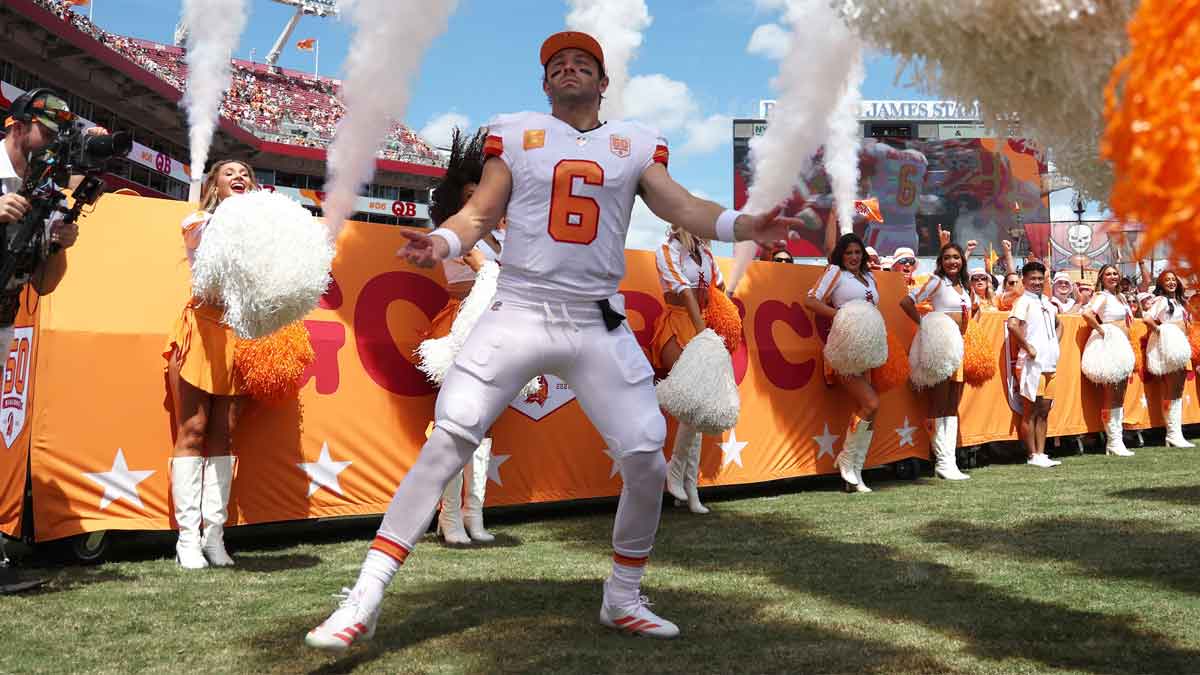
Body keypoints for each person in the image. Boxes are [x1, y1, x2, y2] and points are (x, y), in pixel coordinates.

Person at [304, 31, 795, 648]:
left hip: (595, 317)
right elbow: (480, 212)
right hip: (520, 307)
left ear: (602, 81)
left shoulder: (635, 144)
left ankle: (622, 596)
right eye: (557, 64)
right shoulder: (517, 133)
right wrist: (445, 241)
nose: (568, 69)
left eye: (581, 63)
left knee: (645, 458)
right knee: (448, 438)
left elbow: (683, 206)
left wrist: (742, 224)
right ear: (544, 83)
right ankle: (365, 596)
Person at [0, 88, 100, 591]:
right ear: (18, 125)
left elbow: (42, 284)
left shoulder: (39, 186)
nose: (53, 145)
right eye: (48, 133)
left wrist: (57, 247)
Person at [162, 159, 257, 569]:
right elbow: (208, 246)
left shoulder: (264, 233)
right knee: (194, 429)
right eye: (229, 173)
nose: (240, 178)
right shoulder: (198, 220)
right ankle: (186, 539)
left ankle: (214, 536)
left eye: (246, 175)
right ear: (213, 184)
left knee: (225, 436)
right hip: (201, 329)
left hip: (241, 333)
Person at [420, 129, 503, 545]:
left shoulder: (501, 235)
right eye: (469, 194)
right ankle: (449, 517)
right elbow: (488, 272)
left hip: (494, 329)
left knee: (485, 427)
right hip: (460, 326)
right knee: (454, 422)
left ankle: (474, 514)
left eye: (482, 193)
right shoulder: (459, 233)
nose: (477, 200)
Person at [653, 224, 725, 514]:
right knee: (691, 401)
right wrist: (702, 331)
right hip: (679, 325)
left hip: (702, 326)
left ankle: (687, 482)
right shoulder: (667, 249)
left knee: (697, 408)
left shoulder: (706, 253)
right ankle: (679, 478)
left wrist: (721, 326)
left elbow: (718, 292)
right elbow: (683, 291)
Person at [804, 233, 880, 493]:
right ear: (841, 255)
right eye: (849, 252)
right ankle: (847, 462)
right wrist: (841, 315)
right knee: (871, 403)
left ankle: (855, 471)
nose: (854, 257)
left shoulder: (869, 277)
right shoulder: (835, 272)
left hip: (867, 350)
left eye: (858, 252)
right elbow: (811, 300)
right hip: (844, 348)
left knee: (871, 409)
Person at [900, 242, 973, 480]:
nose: (953, 262)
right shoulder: (936, 281)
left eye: (956, 257)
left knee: (953, 405)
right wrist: (926, 326)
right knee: (938, 404)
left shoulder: (964, 285)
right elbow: (906, 303)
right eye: (947, 258)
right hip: (940, 347)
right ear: (940, 262)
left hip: (958, 349)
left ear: (962, 260)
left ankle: (949, 462)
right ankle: (941, 461)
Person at [1007, 262, 1063, 468]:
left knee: (1045, 409)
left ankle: (1041, 452)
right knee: (1031, 409)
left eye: (1040, 278)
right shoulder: (1023, 301)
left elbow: (1060, 324)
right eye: (1033, 279)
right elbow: (1012, 325)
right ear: (1025, 281)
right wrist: (1027, 346)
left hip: (1050, 363)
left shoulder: (1047, 302)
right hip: (1032, 364)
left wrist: (1054, 343)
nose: (1037, 282)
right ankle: (1032, 454)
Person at [1081, 263, 1136, 457]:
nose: (1113, 277)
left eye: (1115, 273)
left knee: (1120, 394)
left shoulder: (1120, 297)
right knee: (1111, 394)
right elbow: (1087, 314)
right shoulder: (1102, 296)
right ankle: (1113, 441)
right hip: (1110, 345)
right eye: (1108, 274)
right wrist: (1103, 330)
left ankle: (1116, 441)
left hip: (1122, 345)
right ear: (1102, 278)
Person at [1146, 270, 1194, 447]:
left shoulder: (1179, 302)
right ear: (1161, 283)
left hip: (1180, 347)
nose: (1171, 282)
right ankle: (1173, 434)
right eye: (1167, 280)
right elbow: (1148, 318)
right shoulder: (1161, 300)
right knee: (1173, 389)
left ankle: (1175, 434)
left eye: (1174, 279)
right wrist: (1163, 332)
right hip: (1171, 348)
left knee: (1177, 390)